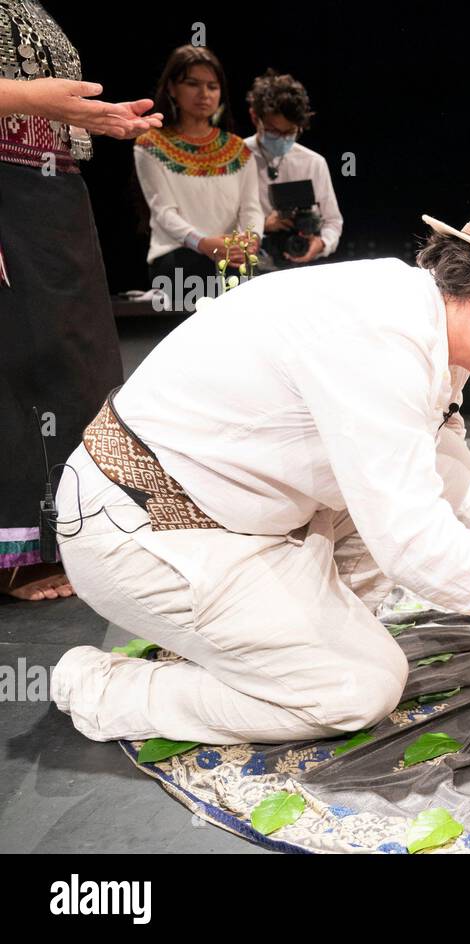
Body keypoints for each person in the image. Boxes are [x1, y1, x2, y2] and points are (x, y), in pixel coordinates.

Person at [49, 191, 470, 746]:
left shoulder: (424, 320)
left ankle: (274, 641)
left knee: (396, 506)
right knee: (360, 689)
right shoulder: (379, 337)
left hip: (233, 514)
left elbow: (435, 457)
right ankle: (105, 690)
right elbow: (414, 543)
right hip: (144, 528)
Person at [0, 0, 161, 600]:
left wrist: (95, 119)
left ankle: (75, 534)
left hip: (53, 186)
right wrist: (31, 100)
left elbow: (47, 97)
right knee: (18, 358)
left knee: (77, 359)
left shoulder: (28, 7)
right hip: (6, 191)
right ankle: (17, 550)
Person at [133, 45, 262, 311]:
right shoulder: (150, 145)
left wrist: (251, 241)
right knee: (205, 279)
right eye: (192, 84)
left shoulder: (240, 149)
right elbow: (163, 212)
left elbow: (251, 209)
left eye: (212, 87)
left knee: (258, 281)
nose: (204, 94)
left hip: (230, 257)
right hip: (178, 256)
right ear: (171, 88)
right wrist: (204, 244)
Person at [244, 69, 342, 269]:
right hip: (245, 270)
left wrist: (321, 243)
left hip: (297, 270)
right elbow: (215, 225)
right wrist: (262, 225)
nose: (281, 138)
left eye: (289, 132)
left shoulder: (313, 163)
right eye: (273, 131)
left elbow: (332, 221)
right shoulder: (234, 159)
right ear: (255, 118)